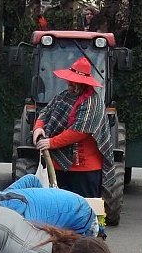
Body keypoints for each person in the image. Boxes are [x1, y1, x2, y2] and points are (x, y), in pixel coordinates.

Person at [32, 55, 115, 201]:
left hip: (84, 170)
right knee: (59, 208)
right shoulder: (63, 96)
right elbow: (46, 112)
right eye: (69, 80)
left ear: (83, 83)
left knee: (85, 208)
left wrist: (51, 142)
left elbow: (80, 130)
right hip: (58, 166)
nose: (69, 84)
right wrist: (38, 127)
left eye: (74, 82)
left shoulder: (93, 102)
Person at [0, 173, 99, 235]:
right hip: (77, 204)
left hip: (82, 219)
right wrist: (44, 198)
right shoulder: (6, 194)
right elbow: (31, 179)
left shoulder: (25, 224)